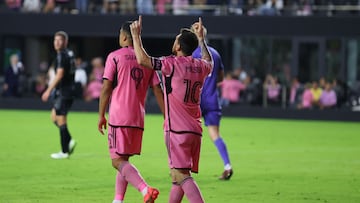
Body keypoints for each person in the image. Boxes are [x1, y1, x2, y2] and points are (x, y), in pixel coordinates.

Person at [130, 16, 213, 203]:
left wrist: (136, 36)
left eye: (176, 40)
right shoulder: (201, 66)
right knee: (177, 177)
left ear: (178, 47)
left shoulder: (171, 64)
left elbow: (143, 60)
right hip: (195, 130)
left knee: (182, 176)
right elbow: (210, 61)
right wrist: (201, 40)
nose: (174, 42)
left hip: (177, 130)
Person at [97, 21, 165, 203]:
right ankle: (118, 200)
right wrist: (167, 117)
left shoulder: (115, 56)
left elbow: (106, 87)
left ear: (125, 36)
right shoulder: (147, 60)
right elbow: (158, 90)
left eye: (120, 34)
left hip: (119, 116)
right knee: (124, 159)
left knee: (117, 162)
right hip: (138, 118)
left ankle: (145, 189)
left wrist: (101, 115)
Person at [191, 27, 234, 180]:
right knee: (215, 134)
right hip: (212, 100)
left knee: (189, 134)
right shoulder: (215, 54)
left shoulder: (192, 55)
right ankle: (227, 165)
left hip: (196, 100)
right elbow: (221, 78)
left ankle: (184, 168)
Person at [41, 31, 77, 159]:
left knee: (61, 121)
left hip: (64, 92)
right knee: (54, 117)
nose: (57, 42)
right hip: (68, 91)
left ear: (65, 42)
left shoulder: (62, 55)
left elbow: (60, 74)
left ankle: (64, 151)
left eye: (60, 40)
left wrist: (48, 90)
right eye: (55, 40)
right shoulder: (70, 54)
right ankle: (69, 140)